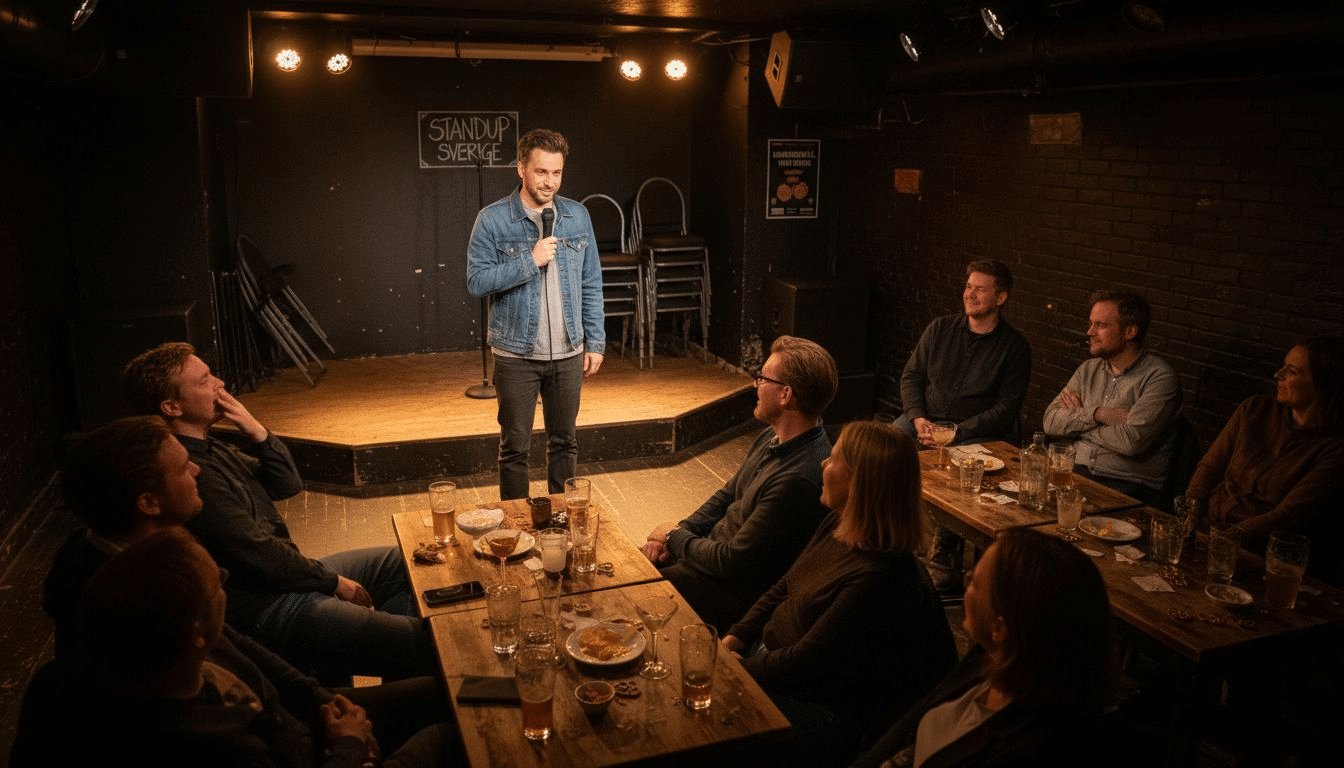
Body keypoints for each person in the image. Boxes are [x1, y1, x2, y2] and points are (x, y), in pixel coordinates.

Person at [122, 342, 434, 680]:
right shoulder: (190, 473)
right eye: (204, 380)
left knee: (406, 563)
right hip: (269, 605)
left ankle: (388, 646)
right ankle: (399, 658)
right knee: (428, 643)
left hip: (286, 577)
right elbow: (255, 552)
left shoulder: (211, 448)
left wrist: (257, 431)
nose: (219, 384)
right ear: (172, 406)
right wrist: (333, 582)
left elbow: (285, 484)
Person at [14, 529, 454, 768]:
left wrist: (327, 702)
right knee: (448, 734)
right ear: (197, 629)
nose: (227, 582)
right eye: (219, 584)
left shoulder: (193, 647)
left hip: (306, 724)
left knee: (449, 691)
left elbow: (272, 671)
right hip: (323, 751)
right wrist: (351, 745)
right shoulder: (216, 746)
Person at [723, 421, 956, 764]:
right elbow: (784, 585)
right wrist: (736, 636)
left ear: (859, 484)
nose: (823, 463)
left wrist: (738, 670)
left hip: (822, 708)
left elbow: (805, 661)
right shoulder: (839, 522)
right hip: (772, 660)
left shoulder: (879, 576)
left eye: (833, 460)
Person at [853, 527, 1116, 768]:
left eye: (974, 582)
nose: (965, 580)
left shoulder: (1019, 749)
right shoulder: (991, 659)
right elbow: (913, 720)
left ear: (999, 629)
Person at [641, 335, 837, 631]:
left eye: (763, 379)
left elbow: (734, 563)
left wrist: (674, 537)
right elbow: (727, 494)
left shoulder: (798, 478)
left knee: (629, 590)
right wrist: (680, 532)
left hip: (728, 593)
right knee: (628, 565)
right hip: (708, 560)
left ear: (786, 394)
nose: (755, 384)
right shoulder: (773, 436)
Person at [466, 127, 605, 501]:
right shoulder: (492, 219)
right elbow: (477, 281)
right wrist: (530, 260)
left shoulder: (577, 216)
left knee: (565, 442)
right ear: (521, 168)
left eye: (557, 172)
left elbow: (591, 282)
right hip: (516, 356)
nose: (550, 182)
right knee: (515, 449)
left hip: (568, 353)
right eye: (541, 171)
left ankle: (562, 519)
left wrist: (595, 341)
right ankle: (516, 524)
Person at [897, 259, 1032, 595]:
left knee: (961, 471)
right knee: (884, 446)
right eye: (968, 287)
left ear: (1001, 298)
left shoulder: (1015, 347)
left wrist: (957, 432)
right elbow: (912, 377)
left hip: (975, 432)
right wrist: (918, 418)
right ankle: (888, 535)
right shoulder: (939, 328)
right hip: (924, 419)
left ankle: (945, 558)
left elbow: (1005, 409)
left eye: (980, 289)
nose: (969, 294)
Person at [43, 415, 203, 657]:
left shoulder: (88, 541)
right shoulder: (147, 602)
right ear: (149, 503)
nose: (197, 470)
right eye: (183, 468)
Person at [1185, 337, 1344, 579]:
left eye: (1291, 371)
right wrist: (1191, 509)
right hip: (1208, 526)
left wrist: (1229, 536)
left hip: (1261, 551)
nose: (1277, 375)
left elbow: (1287, 514)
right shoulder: (1255, 409)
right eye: (1283, 366)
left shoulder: (1334, 447)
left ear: (1323, 384)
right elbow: (1210, 466)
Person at [1043, 290, 1181, 508]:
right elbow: (1050, 421)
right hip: (1077, 473)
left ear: (1129, 331)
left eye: (1101, 325)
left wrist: (1078, 424)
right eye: (1091, 323)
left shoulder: (1159, 377)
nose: (1090, 332)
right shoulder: (1088, 369)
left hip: (1127, 485)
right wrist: (1099, 414)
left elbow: (1131, 441)